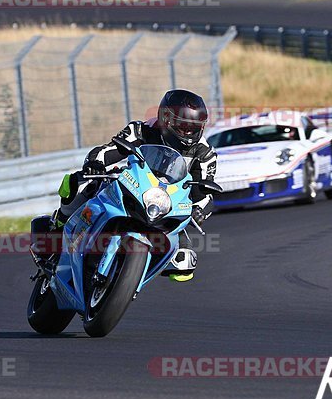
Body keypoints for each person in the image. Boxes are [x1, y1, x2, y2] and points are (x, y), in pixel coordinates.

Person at [52, 89, 217, 282]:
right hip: (131, 184)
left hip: (165, 206)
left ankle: (129, 277)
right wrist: (95, 164)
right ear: (166, 119)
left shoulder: (205, 153)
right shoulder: (141, 130)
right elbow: (107, 150)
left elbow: (207, 193)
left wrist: (199, 211)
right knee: (78, 183)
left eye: (194, 128)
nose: (189, 134)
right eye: (183, 127)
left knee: (183, 267)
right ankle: (57, 229)